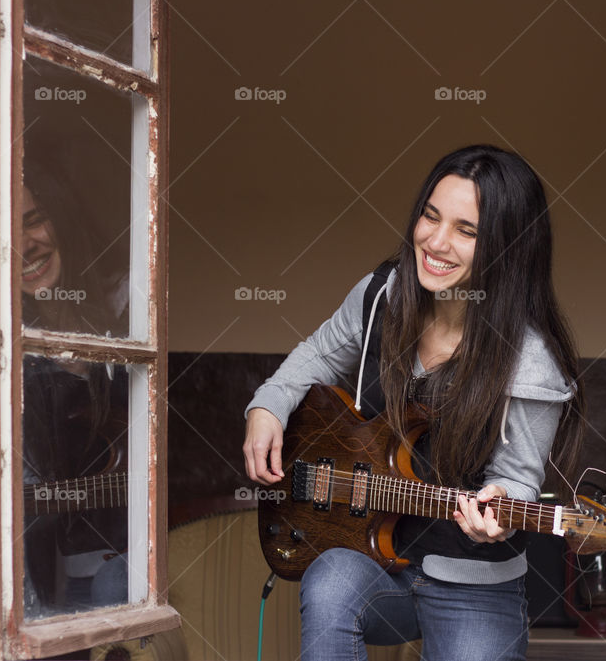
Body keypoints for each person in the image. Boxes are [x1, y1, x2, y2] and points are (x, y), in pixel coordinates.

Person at [242, 144, 584, 661]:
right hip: (369, 557)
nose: (436, 242)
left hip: (473, 581)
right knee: (330, 582)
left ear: (508, 248)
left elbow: (518, 481)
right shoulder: (383, 294)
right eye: (430, 216)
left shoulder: (532, 361)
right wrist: (267, 406)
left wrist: (501, 514)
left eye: (467, 231)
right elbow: (316, 354)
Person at [20, 157, 130, 618]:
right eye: (7, 234)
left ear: (62, 216)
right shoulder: (13, 345)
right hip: (62, 576)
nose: (25, 246)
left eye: (35, 221)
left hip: (140, 564)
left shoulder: (132, 305)